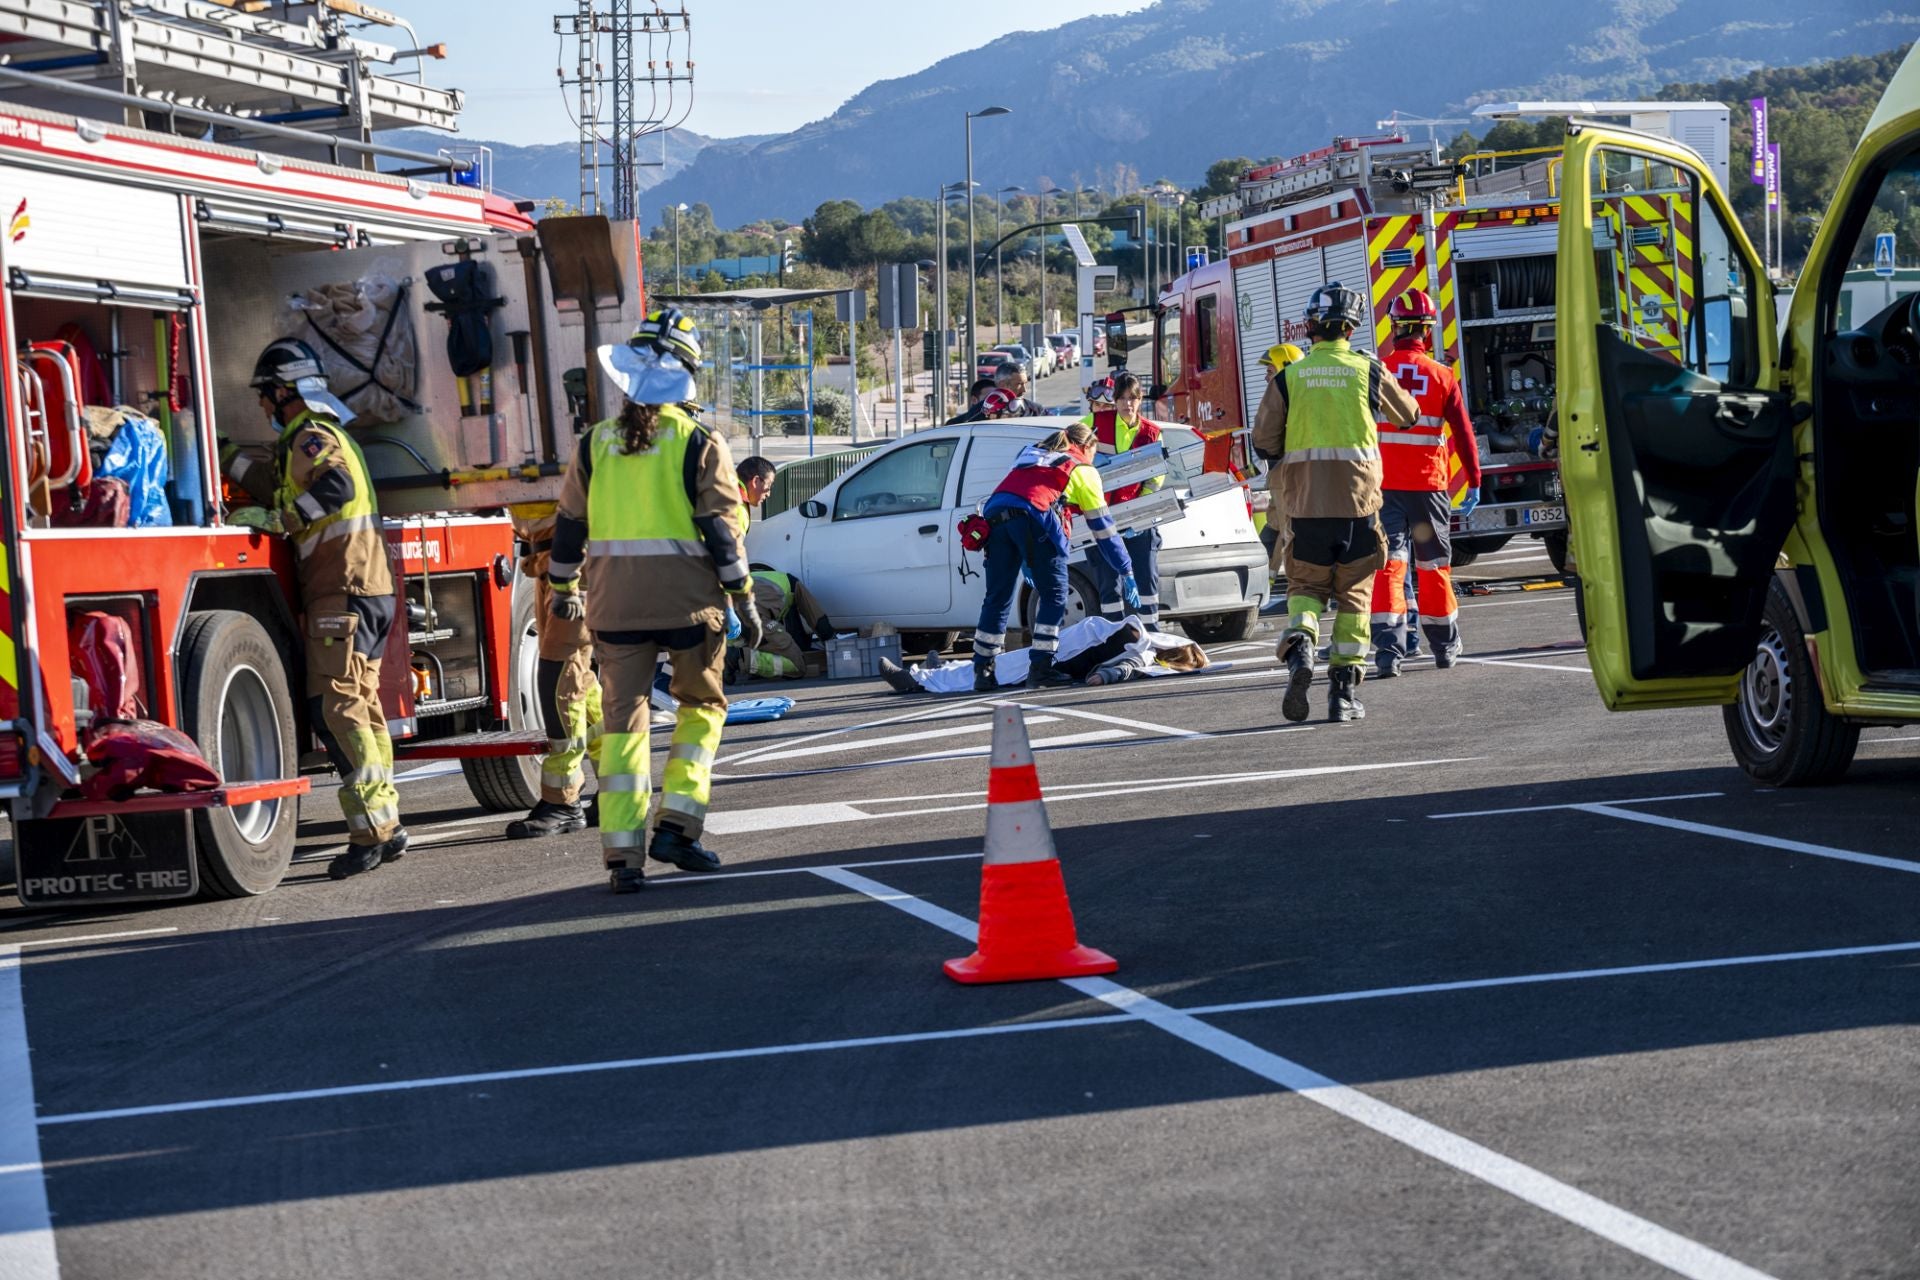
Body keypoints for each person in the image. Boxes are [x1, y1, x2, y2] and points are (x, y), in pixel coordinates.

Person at [548, 307, 754, 894]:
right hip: (691, 608)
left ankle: (623, 859)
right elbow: (721, 532)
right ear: (686, 379)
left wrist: (564, 589)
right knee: (700, 710)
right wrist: (745, 597)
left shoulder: (595, 445)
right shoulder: (698, 442)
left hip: (613, 610)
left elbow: (568, 530)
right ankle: (678, 830)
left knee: (623, 728)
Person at [222, 339, 406, 879]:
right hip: (362, 589)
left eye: (265, 395)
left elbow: (335, 486)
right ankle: (385, 824)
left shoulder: (312, 435)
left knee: (336, 708)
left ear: (285, 391)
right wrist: (225, 455)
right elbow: (280, 483)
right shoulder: (306, 441)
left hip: (341, 592)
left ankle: (370, 831)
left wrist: (283, 521)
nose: (261, 406)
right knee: (362, 708)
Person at [1250, 284, 1419, 724]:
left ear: (1310, 328)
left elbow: (1263, 441)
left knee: (1305, 589)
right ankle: (1342, 696)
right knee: (1356, 600)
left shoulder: (1290, 377)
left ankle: (1302, 644)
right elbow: (1410, 414)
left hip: (1306, 512)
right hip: (1360, 509)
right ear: (1351, 327)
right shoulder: (1368, 370)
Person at [1368, 290, 1481, 678]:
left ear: (1395, 327)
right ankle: (1444, 647)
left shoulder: (1377, 372)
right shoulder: (1442, 375)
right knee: (1433, 567)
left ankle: (1388, 652)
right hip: (1428, 489)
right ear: (1428, 332)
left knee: (1388, 567)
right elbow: (1464, 434)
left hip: (1383, 490)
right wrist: (1475, 479)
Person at [972, 424, 1135, 690]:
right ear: (1086, 447)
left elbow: (1018, 494)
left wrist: (1026, 559)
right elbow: (1103, 528)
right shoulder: (1082, 468)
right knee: (1056, 595)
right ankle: (1041, 669)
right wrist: (1125, 569)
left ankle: (983, 671)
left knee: (997, 597)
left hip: (993, 517)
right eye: (1095, 453)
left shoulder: (1033, 453)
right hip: (1033, 518)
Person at [503, 500, 604, 839]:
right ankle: (620, 787)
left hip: (575, 564)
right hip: (549, 561)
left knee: (562, 678)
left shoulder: (566, 447)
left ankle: (563, 801)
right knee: (580, 682)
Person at [1084, 371, 1166, 629]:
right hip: (1103, 517)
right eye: (1122, 398)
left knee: (1146, 581)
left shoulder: (1153, 432)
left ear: (1140, 400)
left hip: (1138, 518)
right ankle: (1116, 637)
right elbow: (1070, 449)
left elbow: (1157, 477)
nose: (1127, 404)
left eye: (1132, 398)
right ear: (1115, 400)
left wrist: (1140, 507)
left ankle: (1152, 636)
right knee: (1109, 585)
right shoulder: (1095, 422)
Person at [1251, 343, 1305, 579]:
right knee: (1274, 525)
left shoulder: (1291, 399)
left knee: (1288, 532)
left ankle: (1298, 589)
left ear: (1286, 370)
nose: (1266, 377)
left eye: (1270, 371)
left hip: (1288, 477)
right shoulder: (1296, 398)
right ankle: (1262, 584)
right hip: (1280, 477)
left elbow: (1266, 440)